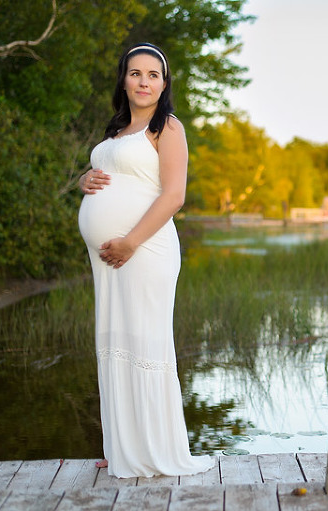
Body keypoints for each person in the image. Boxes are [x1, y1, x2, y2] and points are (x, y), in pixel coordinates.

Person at [77, 42, 213, 478]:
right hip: (112, 257)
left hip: (145, 249)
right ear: (124, 79)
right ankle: (124, 448)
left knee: (145, 342)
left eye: (153, 74)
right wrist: (85, 179)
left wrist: (130, 242)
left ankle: (153, 450)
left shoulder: (166, 127)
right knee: (116, 342)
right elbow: (114, 176)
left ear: (164, 83)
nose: (143, 81)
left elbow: (174, 196)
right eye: (136, 73)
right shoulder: (116, 130)